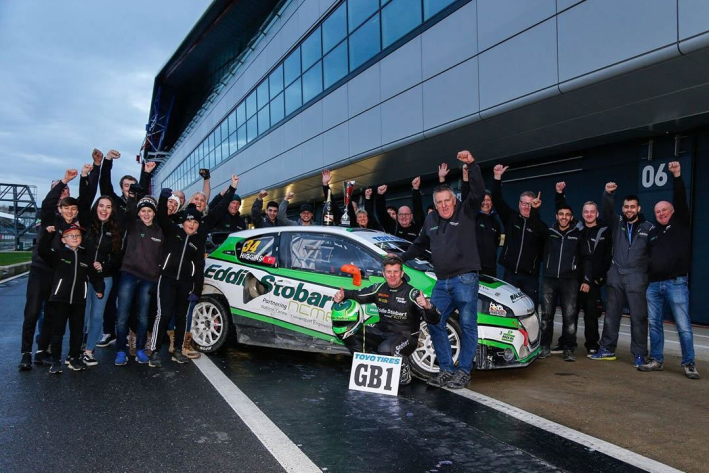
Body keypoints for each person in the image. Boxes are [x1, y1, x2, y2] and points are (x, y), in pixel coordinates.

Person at [399, 150, 485, 389]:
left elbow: (478, 192)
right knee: (434, 321)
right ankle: (447, 369)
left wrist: (472, 164)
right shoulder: (431, 221)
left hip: (465, 279)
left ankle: (464, 371)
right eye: (439, 202)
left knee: (468, 326)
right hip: (442, 282)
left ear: (454, 200)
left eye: (447, 201)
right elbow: (418, 245)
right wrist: (400, 259)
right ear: (435, 205)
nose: (444, 205)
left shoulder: (466, 212)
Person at [19, 162, 97, 370]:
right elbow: (48, 203)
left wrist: (86, 175)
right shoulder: (48, 216)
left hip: (59, 273)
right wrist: (64, 181)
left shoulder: (73, 222)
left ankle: (42, 351)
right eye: (60, 192)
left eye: (66, 191)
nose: (64, 194)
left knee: (52, 314)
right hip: (41, 269)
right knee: (33, 312)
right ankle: (25, 353)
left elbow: (86, 199)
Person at [332, 256, 440, 385]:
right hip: (382, 331)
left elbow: (434, 320)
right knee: (348, 332)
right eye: (389, 272)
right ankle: (366, 365)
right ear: (384, 274)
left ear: (402, 273)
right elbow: (357, 295)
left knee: (385, 349)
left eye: (396, 272)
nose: (392, 275)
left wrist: (428, 306)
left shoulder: (412, 293)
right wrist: (343, 295)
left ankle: (403, 369)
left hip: (405, 336)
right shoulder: (379, 288)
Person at [638, 162, 700, 379]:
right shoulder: (653, 232)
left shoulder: (681, 222)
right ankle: (656, 360)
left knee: (683, 326)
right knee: (654, 325)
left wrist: (677, 175)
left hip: (676, 283)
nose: (661, 213)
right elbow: (648, 256)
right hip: (654, 286)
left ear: (673, 212)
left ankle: (689, 363)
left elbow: (681, 199)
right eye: (657, 211)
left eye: (665, 210)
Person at [591, 183, 654, 367]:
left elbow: (654, 255)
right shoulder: (617, 223)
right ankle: (607, 349)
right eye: (626, 207)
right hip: (616, 275)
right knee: (611, 315)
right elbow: (607, 210)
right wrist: (608, 194)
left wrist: (646, 273)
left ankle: (640, 354)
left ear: (638, 208)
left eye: (632, 207)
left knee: (638, 318)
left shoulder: (648, 228)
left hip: (637, 278)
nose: (629, 210)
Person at [149, 191, 206, 367]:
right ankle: (155, 351)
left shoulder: (198, 242)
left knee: (181, 317)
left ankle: (178, 350)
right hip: (167, 279)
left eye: (195, 222)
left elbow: (199, 267)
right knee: (164, 315)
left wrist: (197, 289)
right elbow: (161, 216)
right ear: (183, 221)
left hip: (186, 284)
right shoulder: (173, 230)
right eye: (189, 221)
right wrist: (163, 198)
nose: (192, 224)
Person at [38, 224, 104, 374]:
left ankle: (74, 358)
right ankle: (56, 361)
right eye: (71, 235)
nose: (75, 238)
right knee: (57, 332)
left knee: (77, 331)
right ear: (63, 239)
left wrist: (100, 288)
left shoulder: (85, 256)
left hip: (79, 301)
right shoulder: (58, 254)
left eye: (77, 235)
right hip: (60, 300)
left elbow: (94, 275)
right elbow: (42, 251)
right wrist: (48, 235)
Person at [555, 183, 611, 357]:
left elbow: (607, 257)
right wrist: (560, 193)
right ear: (582, 214)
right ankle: (566, 342)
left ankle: (592, 345)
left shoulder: (605, 231)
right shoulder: (576, 228)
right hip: (573, 279)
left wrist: (599, 278)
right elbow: (562, 211)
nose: (589, 214)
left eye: (592, 212)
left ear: (597, 214)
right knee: (569, 313)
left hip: (592, 281)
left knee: (591, 315)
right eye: (586, 212)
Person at [114, 193, 163, 366]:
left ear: (154, 213)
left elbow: (160, 258)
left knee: (143, 316)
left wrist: (156, 279)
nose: (146, 214)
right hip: (129, 274)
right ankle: (121, 350)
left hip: (148, 279)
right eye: (143, 211)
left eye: (149, 211)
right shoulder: (132, 225)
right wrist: (132, 199)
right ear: (138, 212)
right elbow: (128, 213)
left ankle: (141, 349)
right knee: (122, 315)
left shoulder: (159, 231)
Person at [491, 164, 547, 310]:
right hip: (510, 275)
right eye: (524, 203)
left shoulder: (540, 225)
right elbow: (496, 199)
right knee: (508, 308)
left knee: (531, 309)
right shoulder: (511, 218)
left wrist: (534, 213)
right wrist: (497, 177)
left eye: (530, 204)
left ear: (536, 205)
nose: (526, 207)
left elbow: (542, 240)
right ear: (519, 203)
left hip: (530, 277)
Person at [537, 201, 584, 361]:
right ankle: (544, 346)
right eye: (561, 214)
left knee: (570, 316)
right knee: (546, 315)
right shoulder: (549, 232)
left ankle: (569, 348)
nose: (564, 217)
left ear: (571, 217)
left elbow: (584, 258)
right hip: (549, 279)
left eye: (567, 215)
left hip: (570, 281)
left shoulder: (578, 234)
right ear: (556, 216)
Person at [81, 194, 124, 366]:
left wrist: (104, 265)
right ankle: (76, 349)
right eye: (101, 205)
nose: (104, 210)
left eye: (108, 207)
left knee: (96, 316)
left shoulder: (116, 231)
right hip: (84, 278)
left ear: (112, 210)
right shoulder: (86, 224)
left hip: (104, 279)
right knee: (82, 315)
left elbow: (117, 257)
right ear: (96, 207)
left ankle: (89, 351)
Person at [456, 165, 502, 278]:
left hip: (490, 266)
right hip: (473, 266)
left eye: (488, 200)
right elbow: (466, 198)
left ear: (492, 203)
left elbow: (496, 243)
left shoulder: (496, 223)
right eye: (483, 200)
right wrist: (465, 176)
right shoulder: (473, 217)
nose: (485, 202)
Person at [375, 176, 425, 242]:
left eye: (406, 214)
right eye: (401, 214)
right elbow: (381, 212)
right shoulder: (393, 226)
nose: (403, 216)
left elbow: (418, 209)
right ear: (397, 216)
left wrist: (415, 189)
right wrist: (380, 195)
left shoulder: (417, 228)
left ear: (411, 216)